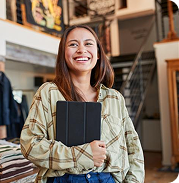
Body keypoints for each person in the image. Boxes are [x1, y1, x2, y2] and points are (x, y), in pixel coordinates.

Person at [20, 25, 144, 183]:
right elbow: (30, 145)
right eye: (73, 44)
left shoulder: (114, 98)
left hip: (107, 179)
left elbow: (133, 148)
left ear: (98, 53)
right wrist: (83, 155)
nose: (81, 50)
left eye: (88, 44)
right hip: (63, 179)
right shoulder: (48, 93)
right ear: (63, 54)